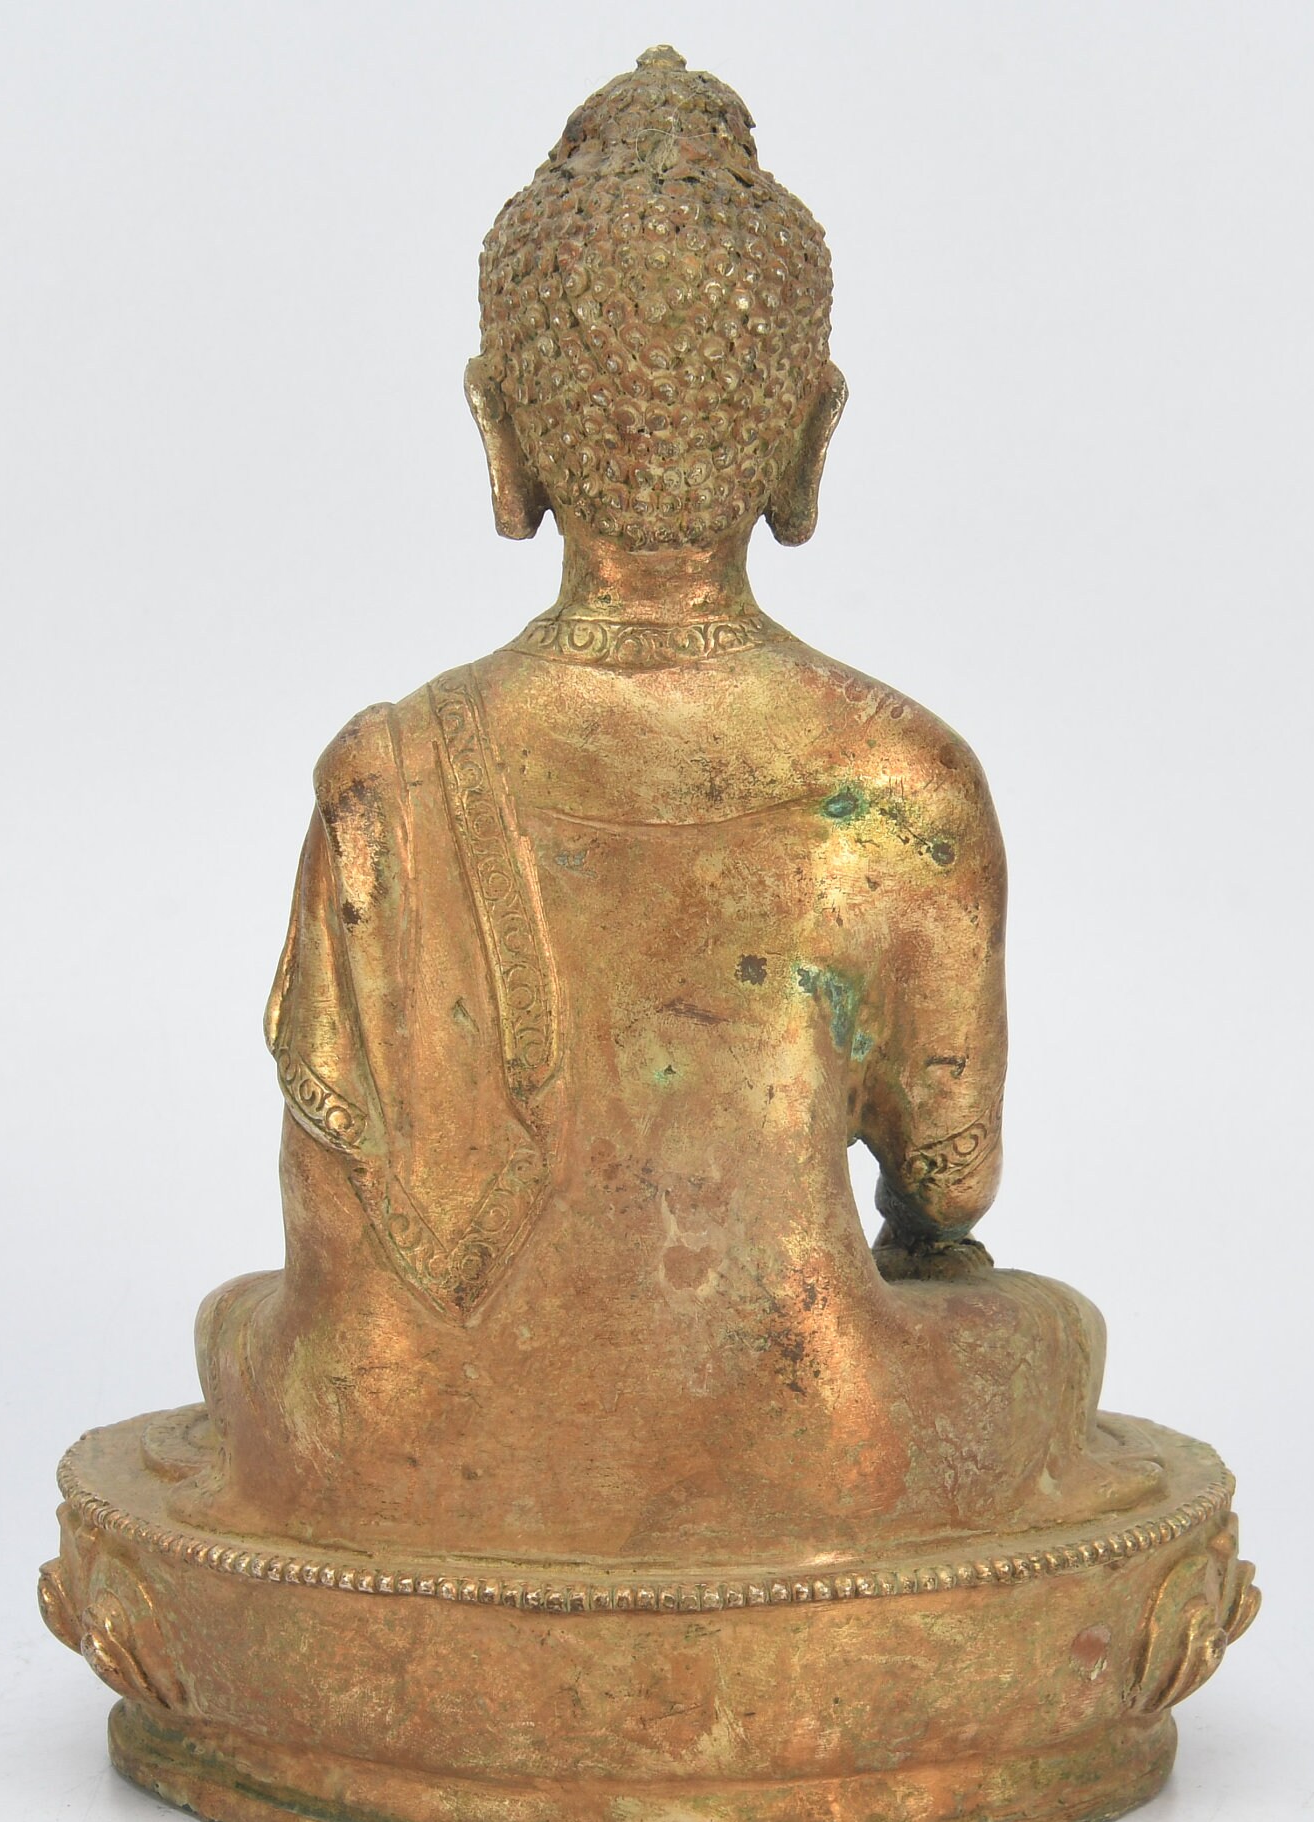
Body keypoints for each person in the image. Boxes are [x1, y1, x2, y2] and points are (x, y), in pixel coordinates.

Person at [175, 49, 1160, 1562]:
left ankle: (454, 1542)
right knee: (1050, 1333)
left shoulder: (384, 768)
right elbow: (951, 1183)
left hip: (404, 1442)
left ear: (500, 432)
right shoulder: (902, 780)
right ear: (811, 437)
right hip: (814, 1443)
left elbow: (330, 1260)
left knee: (234, 1324)